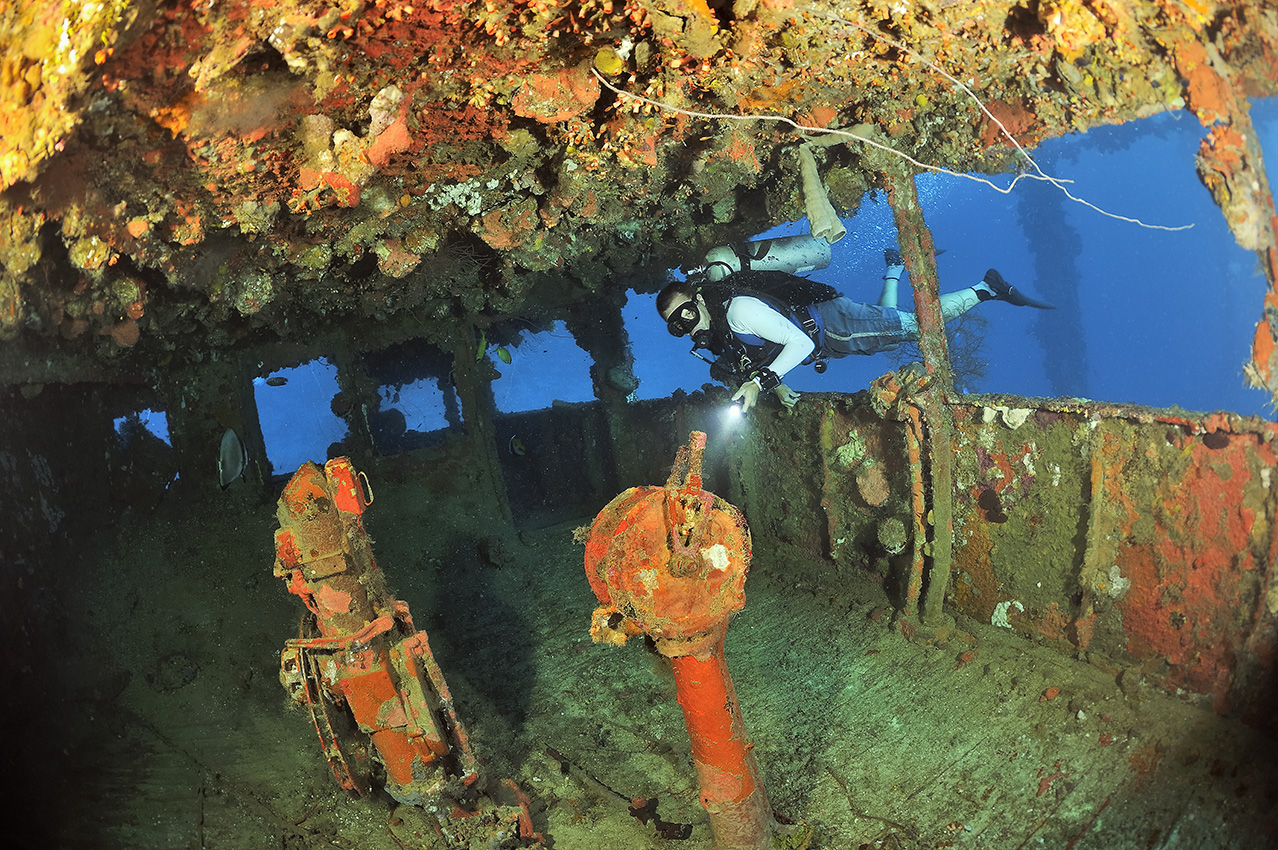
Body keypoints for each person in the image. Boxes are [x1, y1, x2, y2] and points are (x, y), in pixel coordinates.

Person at [657, 249, 1053, 413]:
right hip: (833, 332)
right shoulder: (724, 333)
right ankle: (894, 267)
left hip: (832, 327)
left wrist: (761, 384)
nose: (687, 328)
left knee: (913, 328)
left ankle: (986, 287)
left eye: (687, 315)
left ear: (697, 298)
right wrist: (774, 384)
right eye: (677, 328)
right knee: (887, 320)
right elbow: (763, 351)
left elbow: (798, 341)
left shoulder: (738, 310)